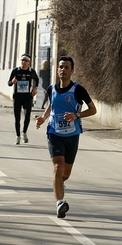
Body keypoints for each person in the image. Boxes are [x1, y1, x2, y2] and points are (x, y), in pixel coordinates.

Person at [35, 56, 97, 219]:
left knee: (66, 173)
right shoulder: (51, 89)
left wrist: (77, 115)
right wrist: (43, 118)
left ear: (72, 71)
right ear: (57, 70)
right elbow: (51, 105)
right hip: (54, 133)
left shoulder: (78, 90)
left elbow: (93, 110)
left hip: (72, 135)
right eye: (60, 67)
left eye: (66, 67)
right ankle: (60, 203)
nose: (63, 70)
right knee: (58, 167)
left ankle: (59, 185)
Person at [8, 54, 39, 145]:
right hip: (17, 97)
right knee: (17, 118)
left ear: (29, 62)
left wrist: (35, 88)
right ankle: (17, 136)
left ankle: (24, 133)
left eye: (26, 60)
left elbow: (37, 80)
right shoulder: (16, 71)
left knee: (27, 116)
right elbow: (9, 83)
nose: (23, 62)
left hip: (27, 97)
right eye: (22, 60)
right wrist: (12, 82)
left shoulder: (31, 71)